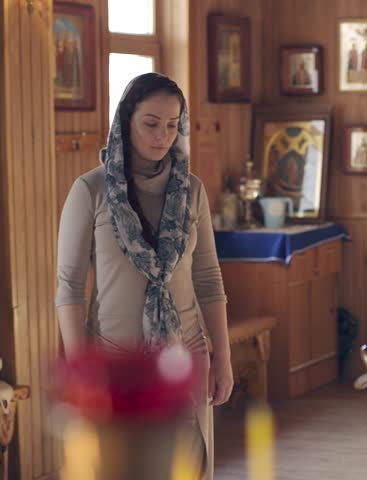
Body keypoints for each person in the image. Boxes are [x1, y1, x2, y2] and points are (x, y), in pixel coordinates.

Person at [55, 73, 232, 479]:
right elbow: (68, 287)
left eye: (173, 125)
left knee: (188, 470)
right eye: (151, 123)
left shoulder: (192, 191)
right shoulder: (91, 191)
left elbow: (208, 277)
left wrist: (221, 356)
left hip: (186, 358)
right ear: (125, 121)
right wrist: (81, 371)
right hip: (116, 364)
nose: (162, 136)